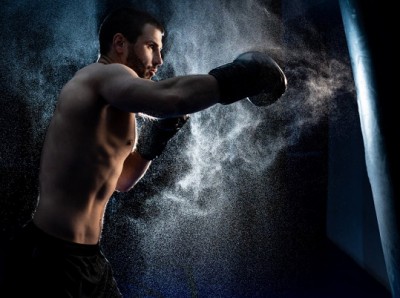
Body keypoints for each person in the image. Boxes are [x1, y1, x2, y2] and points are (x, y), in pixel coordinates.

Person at [0, 6, 287, 297]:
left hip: (88, 259)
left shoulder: (115, 104)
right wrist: (242, 76)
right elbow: (170, 98)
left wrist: (155, 142)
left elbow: (122, 181)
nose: (160, 60)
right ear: (120, 43)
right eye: (152, 47)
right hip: (48, 259)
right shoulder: (100, 76)